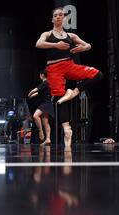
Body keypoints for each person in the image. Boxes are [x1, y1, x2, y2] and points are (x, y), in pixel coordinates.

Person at [36, 7, 103, 146]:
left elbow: (89, 45)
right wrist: (56, 45)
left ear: (65, 18)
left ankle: (75, 91)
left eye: (61, 15)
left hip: (69, 65)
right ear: (52, 19)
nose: (59, 17)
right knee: (59, 97)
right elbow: (38, 44)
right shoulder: (47, 34)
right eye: (56, 15)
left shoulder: (71, 36)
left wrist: (84, 48)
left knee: (97, 74)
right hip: (54, 68)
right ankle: (67, 129)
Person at [28, 70, 54, 146]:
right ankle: (48, 139)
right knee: (45, 122)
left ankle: (40, 131)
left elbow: (35, 90)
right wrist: (32, 95)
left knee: (35, 116)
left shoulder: (45, 82)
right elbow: (38, 93)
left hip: (46, 104)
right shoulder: (46, 84)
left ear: (42, 75)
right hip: (46, 104)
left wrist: (29, 94)